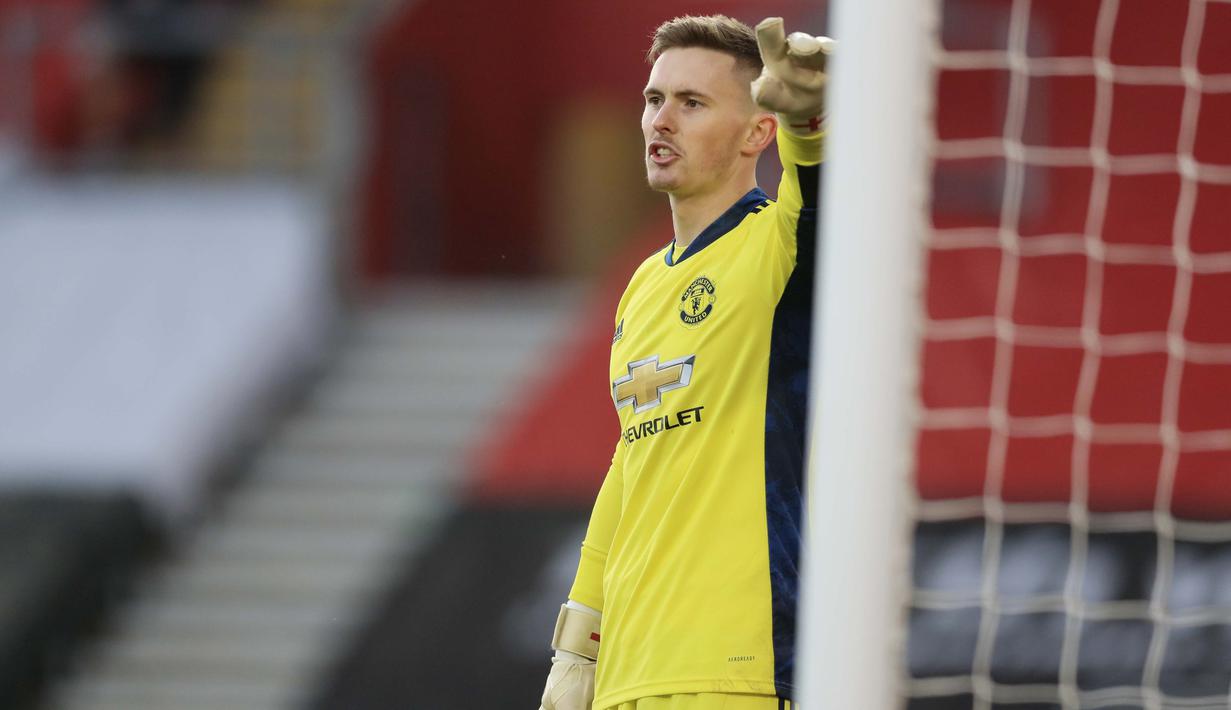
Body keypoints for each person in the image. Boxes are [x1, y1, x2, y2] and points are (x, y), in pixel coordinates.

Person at [539, 14, 830, 710]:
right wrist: (577, 647)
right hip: (628, 674)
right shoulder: (642, 283)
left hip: (734, 670)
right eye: (652, 99)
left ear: (757, 130)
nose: (660, 121)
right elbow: (630, 466)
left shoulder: (776, 247)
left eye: (691, 103)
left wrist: (810, 125)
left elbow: (824, 203)